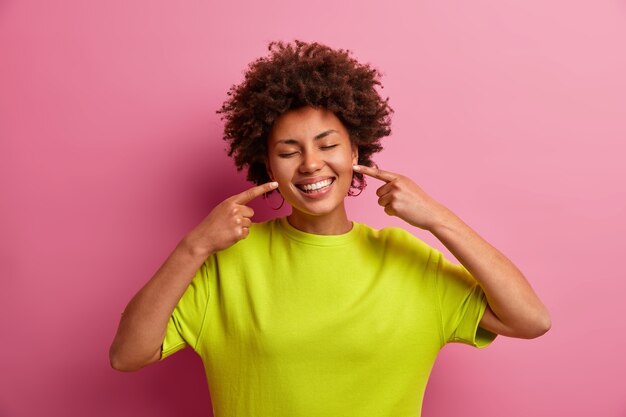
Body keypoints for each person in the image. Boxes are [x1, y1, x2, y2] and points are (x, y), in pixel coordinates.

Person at [109, 40, 551, 417]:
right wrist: (195, 246)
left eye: (327, 145)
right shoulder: (227, 263)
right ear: (267, 164)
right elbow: (127, 355)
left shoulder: (407, 259)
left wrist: (437, 217)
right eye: (289, 150)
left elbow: (531, 320)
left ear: (356, 149)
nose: (311, 165)